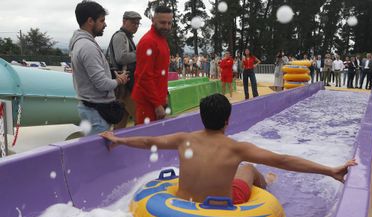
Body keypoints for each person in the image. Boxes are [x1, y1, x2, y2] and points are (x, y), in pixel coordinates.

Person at [100, 94, 357, 204]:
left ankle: (257, 180)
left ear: (202, 117)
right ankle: (264, 183)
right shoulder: (237, 149)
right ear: (227, 120)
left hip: (183, 201)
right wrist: (329, 171)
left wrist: (118, 139)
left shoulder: (183, 139)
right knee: (248, 168)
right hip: (222, 205)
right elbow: (284, 159)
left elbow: (147, 142)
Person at [69, 1, 129, 135]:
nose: (105, 24)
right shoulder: (88, 47)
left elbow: (93, 77)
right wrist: (119, 81)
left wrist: (113, 77)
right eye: (102, 20)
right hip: (96, 113)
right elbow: (101, 83)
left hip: (92, 109)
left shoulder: (81, 43)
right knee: (99, 153)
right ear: (90, 21)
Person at [132, 6, 172, 124]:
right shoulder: (148, 42)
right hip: (147, 102)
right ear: (153, 20)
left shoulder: (161, 39)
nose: (166, 26)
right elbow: (143, 77)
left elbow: (160, 72)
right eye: (162, 22)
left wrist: (163, 96)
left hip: (156, 100)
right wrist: (157, 104)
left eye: (169, 23)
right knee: (146, 138)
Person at [106, 11, 141, 130]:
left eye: (137, 23)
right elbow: (121, 58)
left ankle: (115, 146)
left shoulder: (126, 37)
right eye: (133, 22)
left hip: (124, 85)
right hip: (124, 87)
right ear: (124, 21)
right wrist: (139, 54)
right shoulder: (120, 36)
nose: (136, 25)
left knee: (120, 124)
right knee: (140, 118)